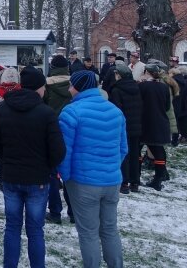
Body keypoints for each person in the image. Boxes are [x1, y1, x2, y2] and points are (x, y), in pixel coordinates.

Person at [0, 66, 65, 268]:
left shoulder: (4, 108)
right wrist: (46, 165)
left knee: (12, 227)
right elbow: (58, 150)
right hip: (36, 178)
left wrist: (7, 157)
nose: (45, 91)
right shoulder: (46, 113)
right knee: (35, 230)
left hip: (13, 176)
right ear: (38, 88)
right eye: (43, 87)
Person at [59, 70, 127, 268]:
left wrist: (65, 176)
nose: (69, 89)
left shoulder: (71, 112)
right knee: (109, 229)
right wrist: (112, 168)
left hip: (83, 181)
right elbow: (123, 148)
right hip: (112, 180)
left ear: (78, 87)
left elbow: (65, 150)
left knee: (88, 232)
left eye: (71, 85)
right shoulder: (115, 111)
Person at [43, 54, 73, 224]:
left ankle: (55, 211)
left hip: (52, 130)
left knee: (52, 174)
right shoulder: (73, 84)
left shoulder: (47, 84)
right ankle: (74, 212)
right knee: (70, 173)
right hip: (72, 130)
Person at [107, 63, 142, 194]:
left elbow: (117, 110)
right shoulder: (136, 88)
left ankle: (124, 182)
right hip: (136, 125)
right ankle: (135, 182)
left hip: (123, 127)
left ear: (120, 75)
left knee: (123, 154)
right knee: (134, 154)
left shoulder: (116, 90)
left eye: (116, 74)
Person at [138, 64, 172, 190]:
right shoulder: (164, 87)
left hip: (144, 122)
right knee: (159, 152)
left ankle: (136, 176)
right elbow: (167, 106)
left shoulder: (141, 86)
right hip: (160, 122)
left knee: (137, 150)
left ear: (147, 72)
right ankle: (158, 178)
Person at [169, 67, 187, 146]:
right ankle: (183, 136)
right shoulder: (186, 80)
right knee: (181, 122)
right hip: (183, 104)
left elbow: (180, 93)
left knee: (180, 122)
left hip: (181, 104)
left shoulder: (180, 81)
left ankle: (182, 137)